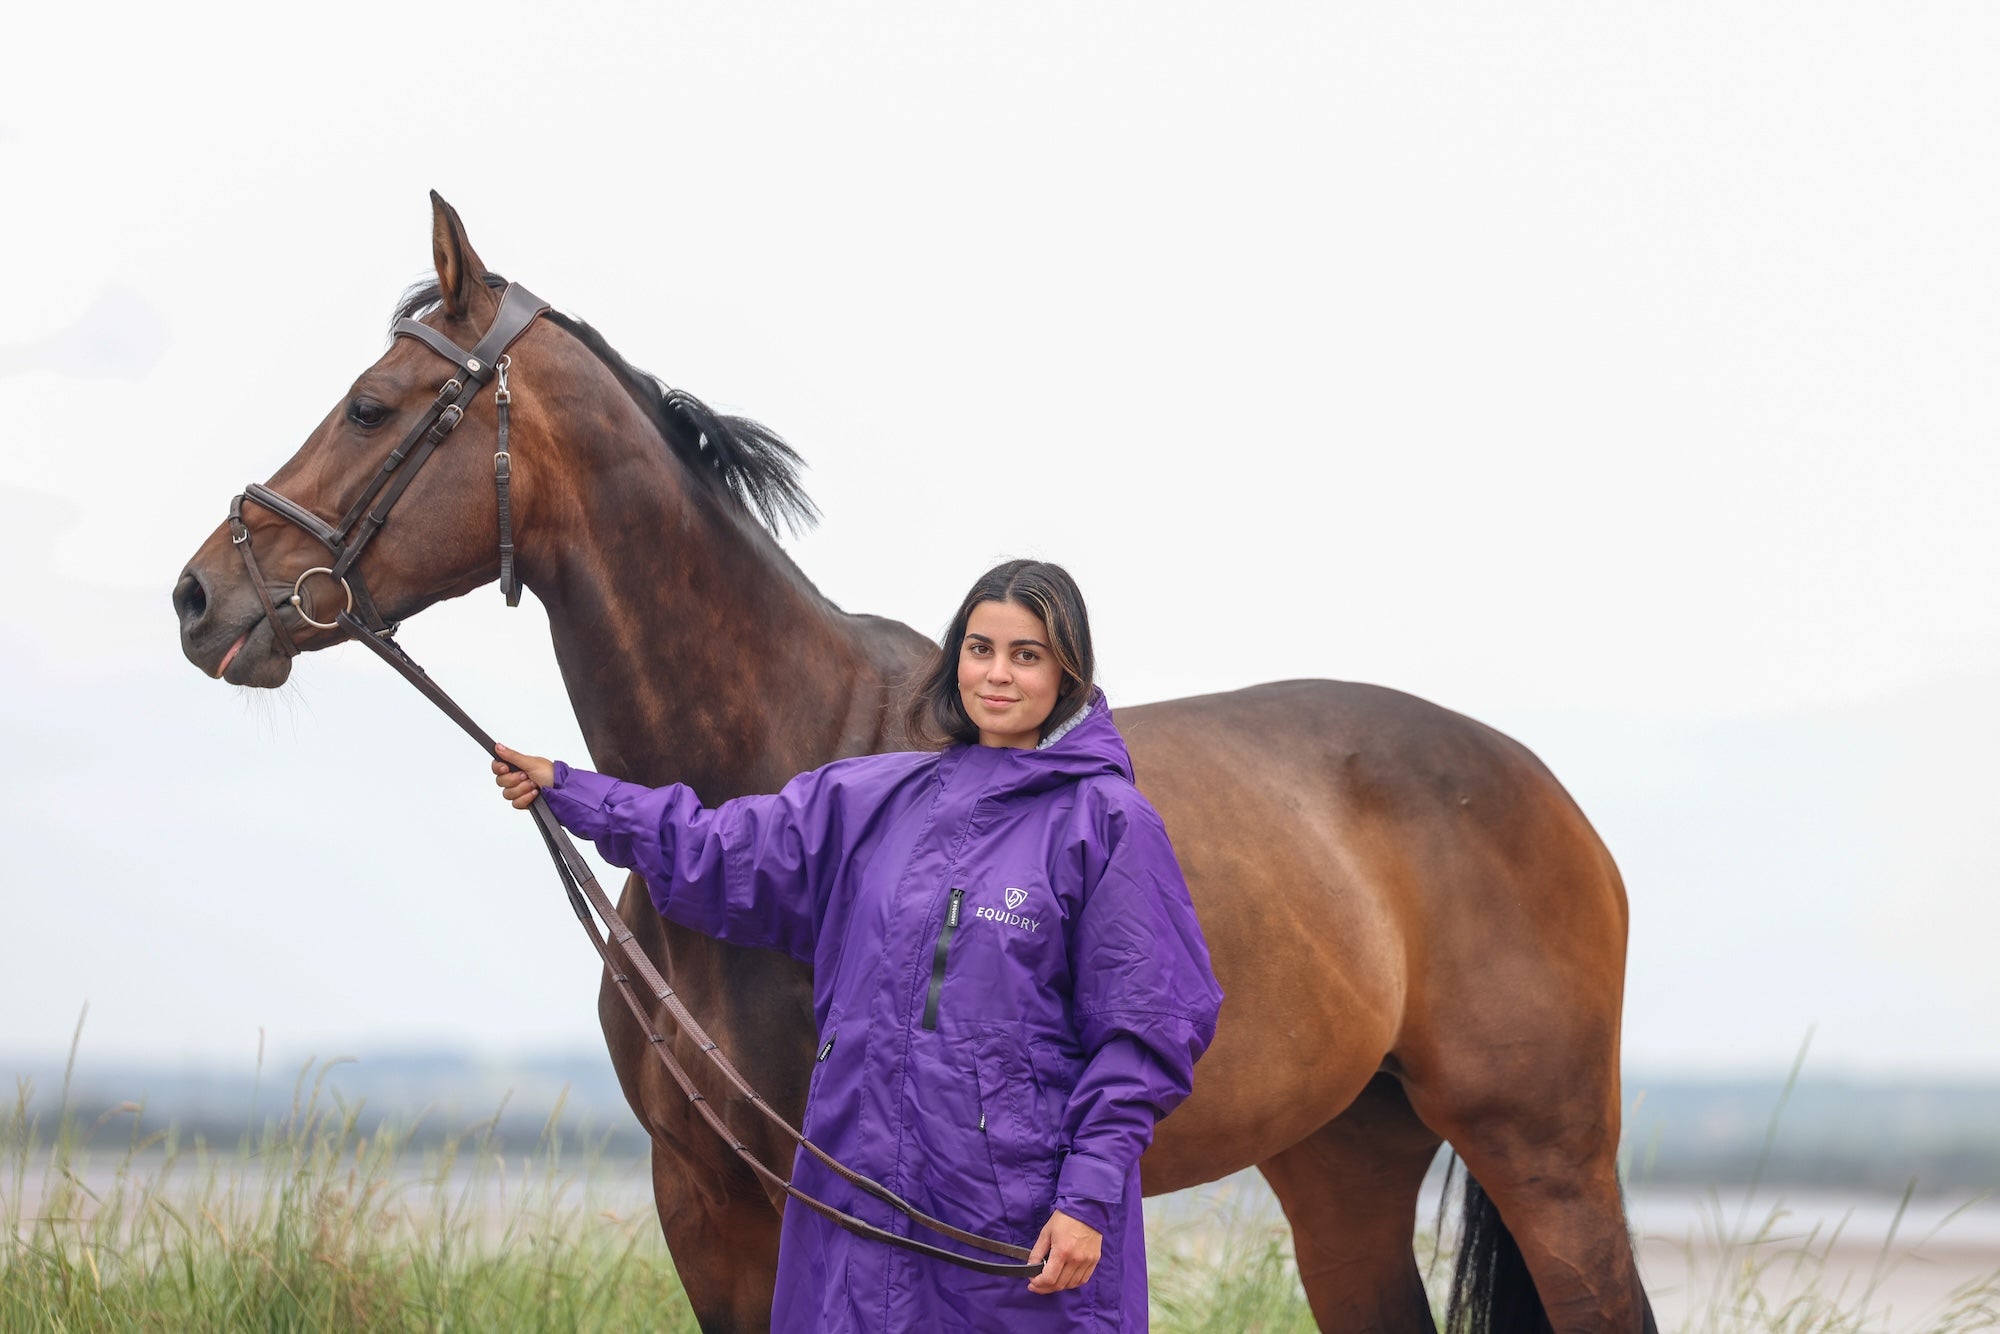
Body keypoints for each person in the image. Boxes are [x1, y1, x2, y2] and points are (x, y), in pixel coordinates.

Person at [492, 559, 1222, 1332]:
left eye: (1026, 655)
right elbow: (719, 847)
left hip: (1007, 1222)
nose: (997, 675)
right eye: (980, 650)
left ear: (1067, 673)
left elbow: (1145, 1032)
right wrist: (573, 791)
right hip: (858, 1203)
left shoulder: (1107, 822)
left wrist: (1086, 1201)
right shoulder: (873, 799)